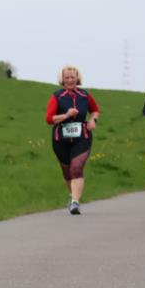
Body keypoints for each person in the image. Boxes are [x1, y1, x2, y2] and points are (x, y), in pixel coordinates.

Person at [45, 65, 100, 215]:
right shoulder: (57, 96)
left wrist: (93, 120)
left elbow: (95, 110)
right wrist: (67, 115)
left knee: (76, 168)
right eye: (67, 77)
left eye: (72, 77)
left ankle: (75, 202)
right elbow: (49, 119)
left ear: (77, 78)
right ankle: (72, 196)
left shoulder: (84, 95)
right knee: (67, 172)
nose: (70, 80)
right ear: (62, 79)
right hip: (60, 139)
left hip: (82, 137)